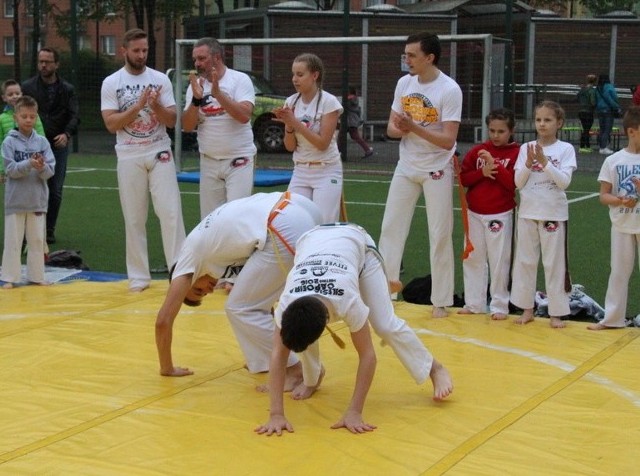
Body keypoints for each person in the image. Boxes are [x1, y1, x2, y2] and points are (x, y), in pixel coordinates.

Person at [255, 223, 454, 437]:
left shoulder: (347, 301)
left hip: (358, 244)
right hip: (314, 240)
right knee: (301, 332)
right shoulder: (286, 303)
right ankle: (312, 379)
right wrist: (276, 413)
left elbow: (368, 356)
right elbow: (278, 355)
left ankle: (435, 369)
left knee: (385, 324)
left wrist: (354, 411)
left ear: (326, 325)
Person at [155, 191, 322, 384]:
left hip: (283, 222)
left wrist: (166, 367)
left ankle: (295, 370)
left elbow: (163, 320)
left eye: (198, 290)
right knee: (261, 302)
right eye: (203, 295)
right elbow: (264, 302)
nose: (208, 291)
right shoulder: (219, 254)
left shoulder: (188, 258)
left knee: (239, 307)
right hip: (301, 208)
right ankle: (265, 361)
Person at [378, 32, 462, 318]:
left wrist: (413, 127)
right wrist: (401, 127)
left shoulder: (449, 89)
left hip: (437, 167)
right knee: (390, 228)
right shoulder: (404, 83)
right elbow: (390, 129)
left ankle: (441, 301)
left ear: (430, 58)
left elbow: (448, 140)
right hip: (406, 165)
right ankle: (385, 294)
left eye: (412, 55)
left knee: (439, 233)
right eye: (405, 54)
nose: (407, 60)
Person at [101, 28, 186, 292]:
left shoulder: (160, 79)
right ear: (124, 51)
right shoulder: (111, 82)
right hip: (128, 154)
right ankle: (139, 277)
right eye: (136, 50)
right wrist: (137, 107)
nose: (141, 55)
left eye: (145, 50)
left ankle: (179, 271)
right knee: (134, 217)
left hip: (159, 150)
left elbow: (172, 120)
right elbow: (111, 124)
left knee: (170, 213)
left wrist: (156, 105)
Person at [510, 101, 576, 328]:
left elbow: (564, 182)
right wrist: (528, 163)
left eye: (547, 120)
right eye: (538, 119)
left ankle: (556, 313)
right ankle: (527, 308)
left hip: (554, 214)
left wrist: (545, 163)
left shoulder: (565, 149)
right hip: (528, 212)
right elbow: (518, 183)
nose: (542, 124)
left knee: (554, 263)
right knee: (525, 262)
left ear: (559, 123)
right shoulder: (525, 148)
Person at [181, 37, 257, 218]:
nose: (197, 64)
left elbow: (244, 116)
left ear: (217, 57)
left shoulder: (239, 79)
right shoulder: (196, 87)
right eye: (195, 59)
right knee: (210, 221)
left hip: (238, 159)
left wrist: (218, 94)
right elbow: (187, 126)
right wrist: (196, 100)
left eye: (202, 58)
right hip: (209, 161)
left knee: (236, 217)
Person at [458, 108, 520, 319]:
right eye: (492, 130)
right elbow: (463, 179)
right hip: (474, 212)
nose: (495, 135)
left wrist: (495, 167)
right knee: (473, 258)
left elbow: (513, 184)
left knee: (499, 260)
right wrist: (481, 173)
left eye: (501, 131)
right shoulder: (477, 151)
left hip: (500, 213)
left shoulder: (517, 153)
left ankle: (500, 305)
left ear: (511, 131)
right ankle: (474, 303)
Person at [273, 53, 343, 223]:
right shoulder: (291, 102)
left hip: (326, 169)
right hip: (301, 170)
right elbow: (290, 147)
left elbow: (323, 144)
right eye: (293, 74)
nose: (294, 79)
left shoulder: (329, 102)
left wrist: (294, 122)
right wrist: (288, 126)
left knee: (324, 223)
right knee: (292, 219)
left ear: (315, 75)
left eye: (300, 74)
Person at [588, 106, 640, 331]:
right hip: (620, 224)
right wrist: (619, 200)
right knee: (618, 272)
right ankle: (612, 319)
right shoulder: (614, 161)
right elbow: (603, 196)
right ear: (631, 131)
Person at [21, 48, 79, 245]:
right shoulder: (28, 87)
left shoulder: (67, 89)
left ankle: (48, 229)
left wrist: (67, 133)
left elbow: (74, 115)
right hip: (32, 144)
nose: (43, 65)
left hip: (57, 144)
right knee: (29, 186)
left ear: (57, 64)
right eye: (40, 61)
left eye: (47, 61)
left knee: (55, 189)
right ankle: (26, 229)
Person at [0, 96, 55, 289]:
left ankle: (37, 276)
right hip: (16, 200)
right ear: (16, 117)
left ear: (36, 117)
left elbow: (50, 172)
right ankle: (10, 277)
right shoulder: (9, 142)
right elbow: (10, 170)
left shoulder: (42, 142)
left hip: (37, 200)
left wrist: (40, 167)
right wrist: (28, 163)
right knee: (13, 241)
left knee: (37, 241)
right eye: (24, 116)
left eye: (32, 116)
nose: (28, 120)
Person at [0, 79, 45, 183]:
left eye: (17, 93)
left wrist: (41, 161)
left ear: (22, 94)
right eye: (10, 94)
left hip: (32, 164)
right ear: (4, 98)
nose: (14, 96)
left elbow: (41, 139)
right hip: (11, 166)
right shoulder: (1, 119)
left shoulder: (33, 116)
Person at [595, 73, 621, 155]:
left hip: (600, 111)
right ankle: (603, 147)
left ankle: (601, 146)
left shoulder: (598, 88)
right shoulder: (609, 87)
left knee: (602, 129)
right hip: (608, 111)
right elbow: (613, 98)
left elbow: (596, 99)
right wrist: (617, 107)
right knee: (607, 130)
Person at [345, 87, 374, 158]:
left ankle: (367, 149)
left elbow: (345, 108)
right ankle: (367, 149)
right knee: (352, 136)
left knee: (353, 136)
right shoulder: (355, 99)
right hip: (353, 121)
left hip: (349, 121)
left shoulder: (348, 100)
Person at [576, 74, 597, 153]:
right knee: (587, 130)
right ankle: (584, 146)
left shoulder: (582, 90)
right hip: (589, 112)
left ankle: (585, 145)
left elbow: (577, 97)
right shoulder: (592, 90)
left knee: (585, 129)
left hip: (581, 111)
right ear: (594, 81)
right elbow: (593, 102)